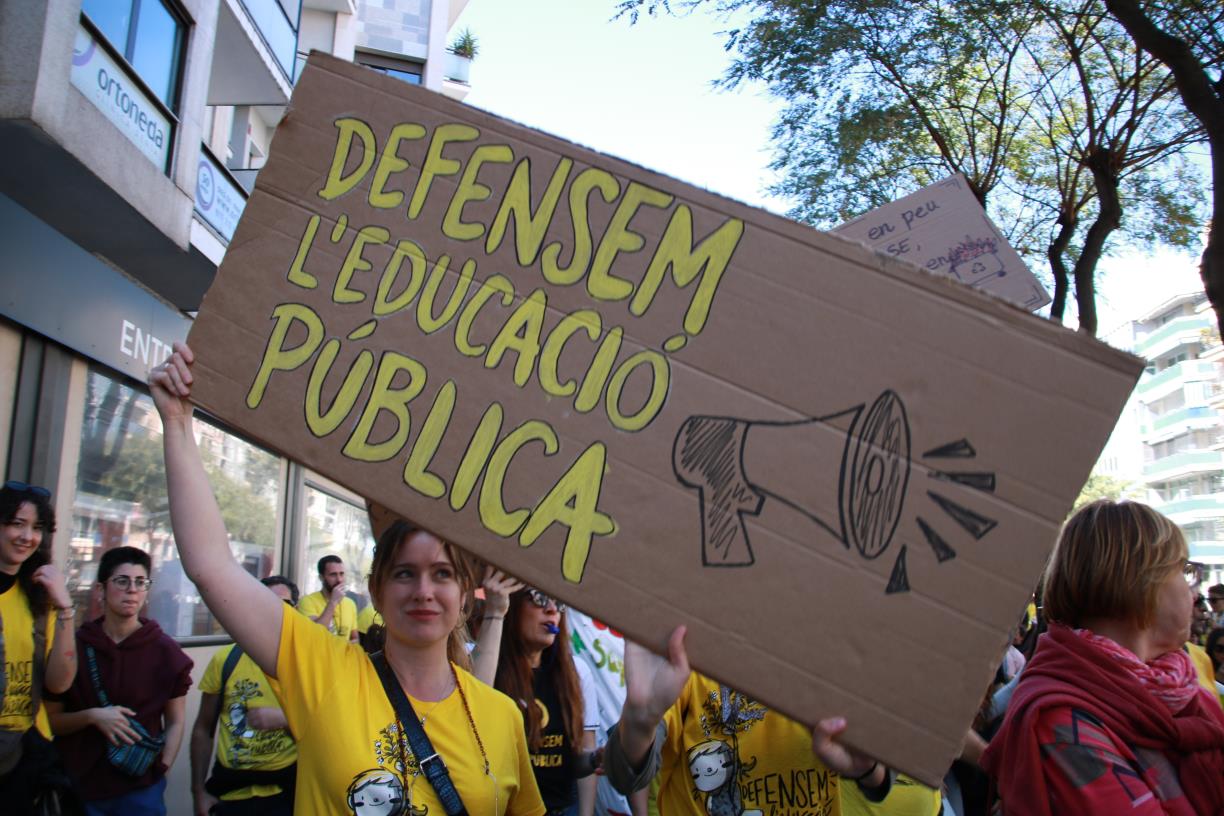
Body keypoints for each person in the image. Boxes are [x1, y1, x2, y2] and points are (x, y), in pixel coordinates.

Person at [151, 342, 545, 816]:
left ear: (465, 595)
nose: (423, 590)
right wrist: (176, 422)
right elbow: (211, 565)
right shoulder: (322, 672)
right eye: (404, 573)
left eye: (441, 574)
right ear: (376, 591)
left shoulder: (501, 717)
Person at [981, 500, 1224, 814]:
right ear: (1141, 581)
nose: (1194, 591)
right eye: (1184, 570)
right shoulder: (1060, 722)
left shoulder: (1178, 685)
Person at [604, 627, 940, 816]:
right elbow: (624, 774)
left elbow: (881, 780)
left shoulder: (834, 655)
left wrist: (867, 769)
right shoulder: (689, 656)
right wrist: (639, 719)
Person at [48, 546, 193, 815]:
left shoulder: (166, 652)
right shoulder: (76, 645)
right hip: (80, 787)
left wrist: (162, 768)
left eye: (141, 582)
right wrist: (93, 716)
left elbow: (176, 720)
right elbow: (52, 720)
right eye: (122, 581)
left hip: (140, 790)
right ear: (100, 590)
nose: (132, 590)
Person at [474, 575, 600, 816]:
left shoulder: (576, 673)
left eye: (559, 603)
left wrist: (595, 760)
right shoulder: (482, 663)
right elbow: (472, 709)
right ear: (512, 602)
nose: (552, 610)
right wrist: (495, 613)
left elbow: (577, 761)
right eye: (539, 598)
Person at [0, 481, 80, 814]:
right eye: (17, 523)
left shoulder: (38, 597)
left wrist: (64, 608)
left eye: (37, 528)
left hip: (24, 755)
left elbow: (59, 683)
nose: (27, 536)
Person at [191, 576, 301, 816]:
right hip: (231, 795)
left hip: (286, 795)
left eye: (285, 604)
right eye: (267, 603)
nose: (276, 611)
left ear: (296, 610)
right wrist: (198, 792)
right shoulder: (225, 661)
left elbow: (325, 727)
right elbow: (203, 728)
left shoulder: (304, 665)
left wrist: (284, 718)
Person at [298, 556, 359, 643]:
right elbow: (315, 633)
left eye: (341, 574)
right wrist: (333, 602)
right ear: (321, 577)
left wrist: (344, 646)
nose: (339, 580)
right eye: (333, 575)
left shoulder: (350, 604)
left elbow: (355, 638)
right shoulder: (307, 601)